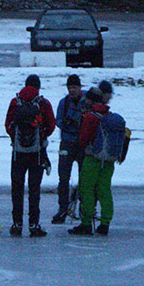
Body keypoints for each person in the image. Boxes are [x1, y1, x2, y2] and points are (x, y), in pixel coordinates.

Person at [5, 74, 56, 237]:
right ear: (38, 87)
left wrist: (16, 139)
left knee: (17, 188)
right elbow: (51, 125)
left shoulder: (16, 102)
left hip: (18, 153)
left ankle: (17, 224)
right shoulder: (43, 103)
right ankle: (34, 224)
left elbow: (8, 124)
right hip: (37, 153)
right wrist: (42, 137)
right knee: (34, 190)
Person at [68, 87, 114, 236]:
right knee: (104, 190)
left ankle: (86, 223)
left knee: (86, 189)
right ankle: (105, 223)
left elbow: (83, 138)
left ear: (91, 100)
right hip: (107, 160)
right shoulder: (109, 114)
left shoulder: (91, 116)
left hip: (92, 159)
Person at [52, 74, 87, 224]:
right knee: (63, 177)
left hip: (83, 144)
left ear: (80, 87)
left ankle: (86, 209)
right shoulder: (63, 103)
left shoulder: (87, 101)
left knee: (85, 178)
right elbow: (57, 120)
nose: (72, 90)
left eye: (74, 87)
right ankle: (63, 209)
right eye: (69, 87)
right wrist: (66, 123)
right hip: (66, 142)